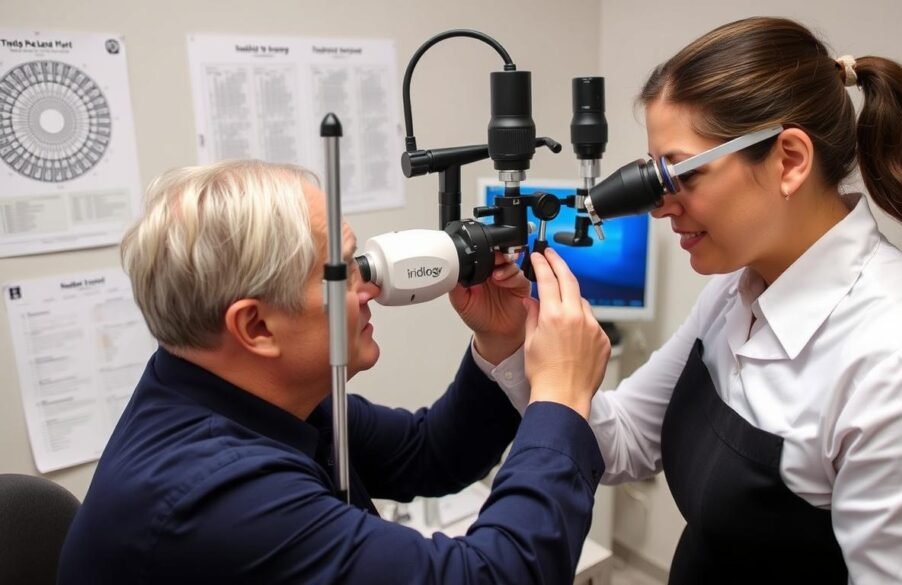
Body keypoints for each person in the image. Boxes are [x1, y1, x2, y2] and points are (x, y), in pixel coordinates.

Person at [494, 16, 902, 584]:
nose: (657, 206)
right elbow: (622, 441)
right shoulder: (733, 291)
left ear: (789, 160)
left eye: (676, 176)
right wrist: (515, 338)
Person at [57, 160, 610, 584]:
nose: (371, 286)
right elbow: (489, 577)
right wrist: (558, 399)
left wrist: (500, 339)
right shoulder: (216, 496)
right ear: (256, 327)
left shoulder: (239, 390)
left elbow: (427, 453)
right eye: (346, 272)